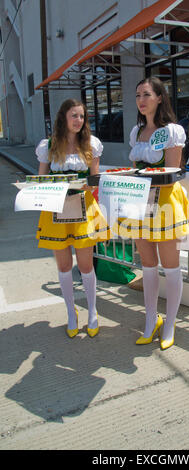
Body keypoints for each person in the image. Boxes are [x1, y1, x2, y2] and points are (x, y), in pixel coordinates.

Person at [114, 77, 189, 350]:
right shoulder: (136, 133)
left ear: (160, 98)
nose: (141, 100)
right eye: (138, 95)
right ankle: (151, 321)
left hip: (164, 203)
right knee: (148, 267)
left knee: (171, 267)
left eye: (147, 94)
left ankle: (171, 323)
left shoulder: (173, 131)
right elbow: (135, 168)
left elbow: (172, 173)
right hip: (140, 204)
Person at [35, 98, 111, 338]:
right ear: (63, 118)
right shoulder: (48, 146)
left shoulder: (91, 144)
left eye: (82, 116)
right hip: (56, 211)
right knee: (65, 266)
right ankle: (71, 313)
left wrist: (86, 186)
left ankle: (92, 312)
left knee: (86, 266)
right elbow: (41, 180)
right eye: (74, 115)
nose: (79, 120)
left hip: (83, 210)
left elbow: (95, 180)